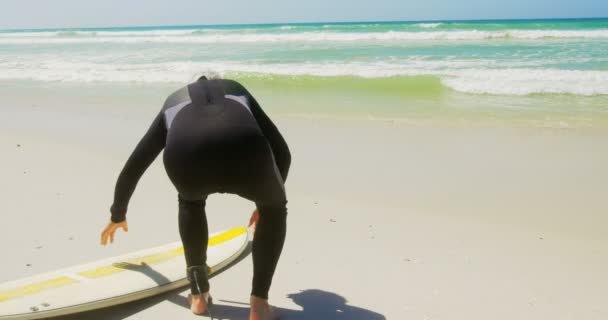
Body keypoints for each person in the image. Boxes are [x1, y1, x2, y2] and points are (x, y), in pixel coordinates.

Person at [100, 76, 290, 320]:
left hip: (187, 160)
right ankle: (259, 305)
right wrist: (268, 201)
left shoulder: (172, 103)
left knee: (190, 202)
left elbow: (135, 164)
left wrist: (118, 214)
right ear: (217, 79)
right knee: (275, 210)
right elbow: (282, 150)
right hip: (248, 154)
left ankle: (199, 297)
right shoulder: (238, 91)